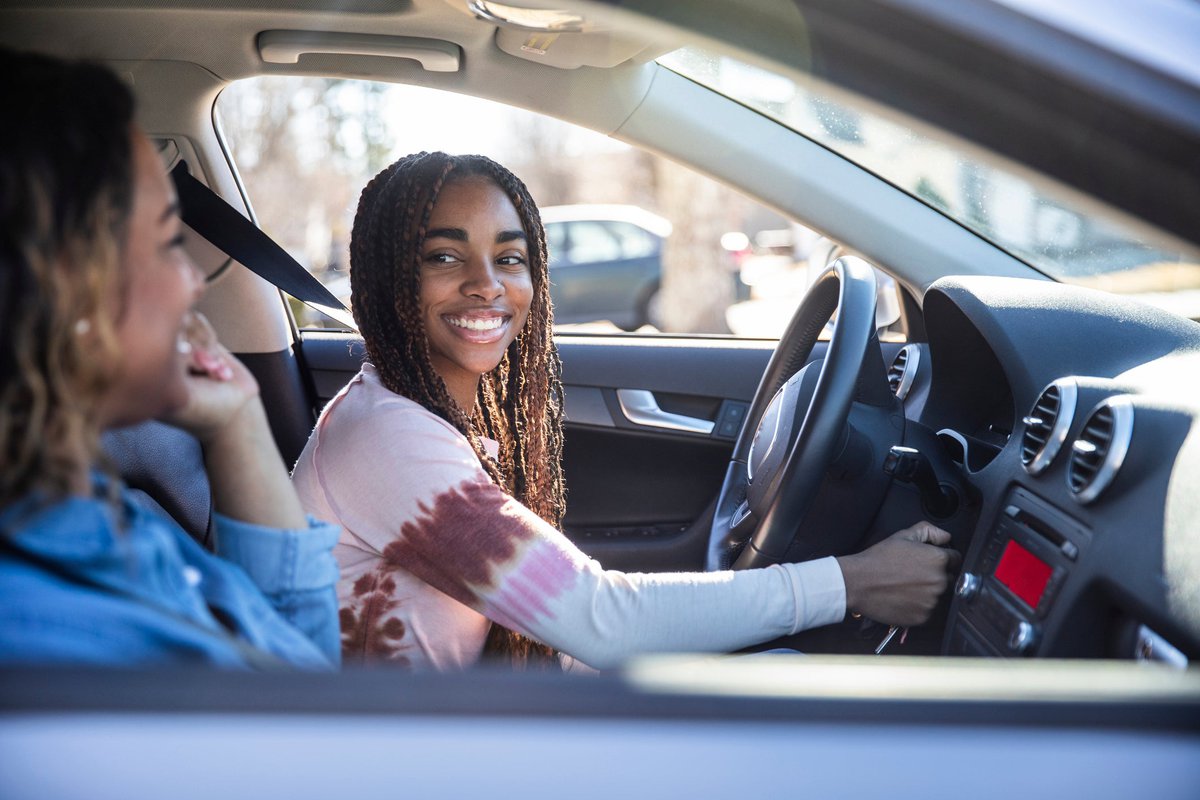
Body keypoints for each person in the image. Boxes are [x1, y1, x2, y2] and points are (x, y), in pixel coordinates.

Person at [292, 151, 958, 671]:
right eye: (444, 256)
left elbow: (575, 633)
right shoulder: (387, 438)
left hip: (440, 732)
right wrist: (851, 583)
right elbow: (599, 618)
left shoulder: (414, 416)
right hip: (394, 757)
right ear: (387, 277)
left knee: (778, 683)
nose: (487, 284)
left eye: (510, 258)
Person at [0, 48, 341, 669]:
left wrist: (235, 418)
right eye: (165, 243)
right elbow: (303, 707)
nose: (191, 282)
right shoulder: (52, 643)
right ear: (63, 288)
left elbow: (297, 667)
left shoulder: (97, 509)